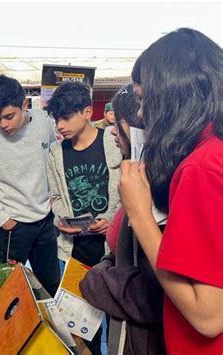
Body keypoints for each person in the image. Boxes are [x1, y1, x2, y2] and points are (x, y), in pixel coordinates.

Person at [119, 28, 223, 353]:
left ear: (169, 94)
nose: (140, 113)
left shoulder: (202, 167)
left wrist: (139, 214)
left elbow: (208, 316)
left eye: (141, 98)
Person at [80, 84, 166, 355]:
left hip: (143, 340)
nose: (113, 130)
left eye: (119, 123)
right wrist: (109, 264)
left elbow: (151, 292)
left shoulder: (155, 189)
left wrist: (99, 279)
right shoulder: (133, 175)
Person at [46, 81, 121, 354]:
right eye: (56, 119)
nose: (60, 125)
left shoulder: (113, 141)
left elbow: (128, 193)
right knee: (82, 327)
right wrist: (61, 221)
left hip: (111, 253)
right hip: (75, 253)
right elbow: (54, 198)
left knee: (116, 325)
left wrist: (111, 220)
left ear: (88, 112)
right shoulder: (56, 152)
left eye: (66, 117)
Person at [0, 74, 60, 297]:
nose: (3, 124)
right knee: (7, 292)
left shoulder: (44, 123)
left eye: (9, 116)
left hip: (45, 222)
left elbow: (54, 162)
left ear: (25, 104)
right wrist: (3, 219)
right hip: (11, 228)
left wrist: (54, 198)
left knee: (51, 287)